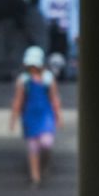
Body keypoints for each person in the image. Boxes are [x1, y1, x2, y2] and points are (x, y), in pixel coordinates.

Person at [10, 46, 61, 187]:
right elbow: (18, 100)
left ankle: (43, 166)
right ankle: (35, 176)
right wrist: (13, 118)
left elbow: (54, 98)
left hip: (45, 114)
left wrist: (58, 116)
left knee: (46, 143)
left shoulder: (48, 79)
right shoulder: (24, 80)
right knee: (33, 147)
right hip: (30, 115)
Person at [37, 0, 75, 71]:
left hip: (64, 28)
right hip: (50, 29)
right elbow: (42, 9)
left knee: (63, 53)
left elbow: (72, 8)